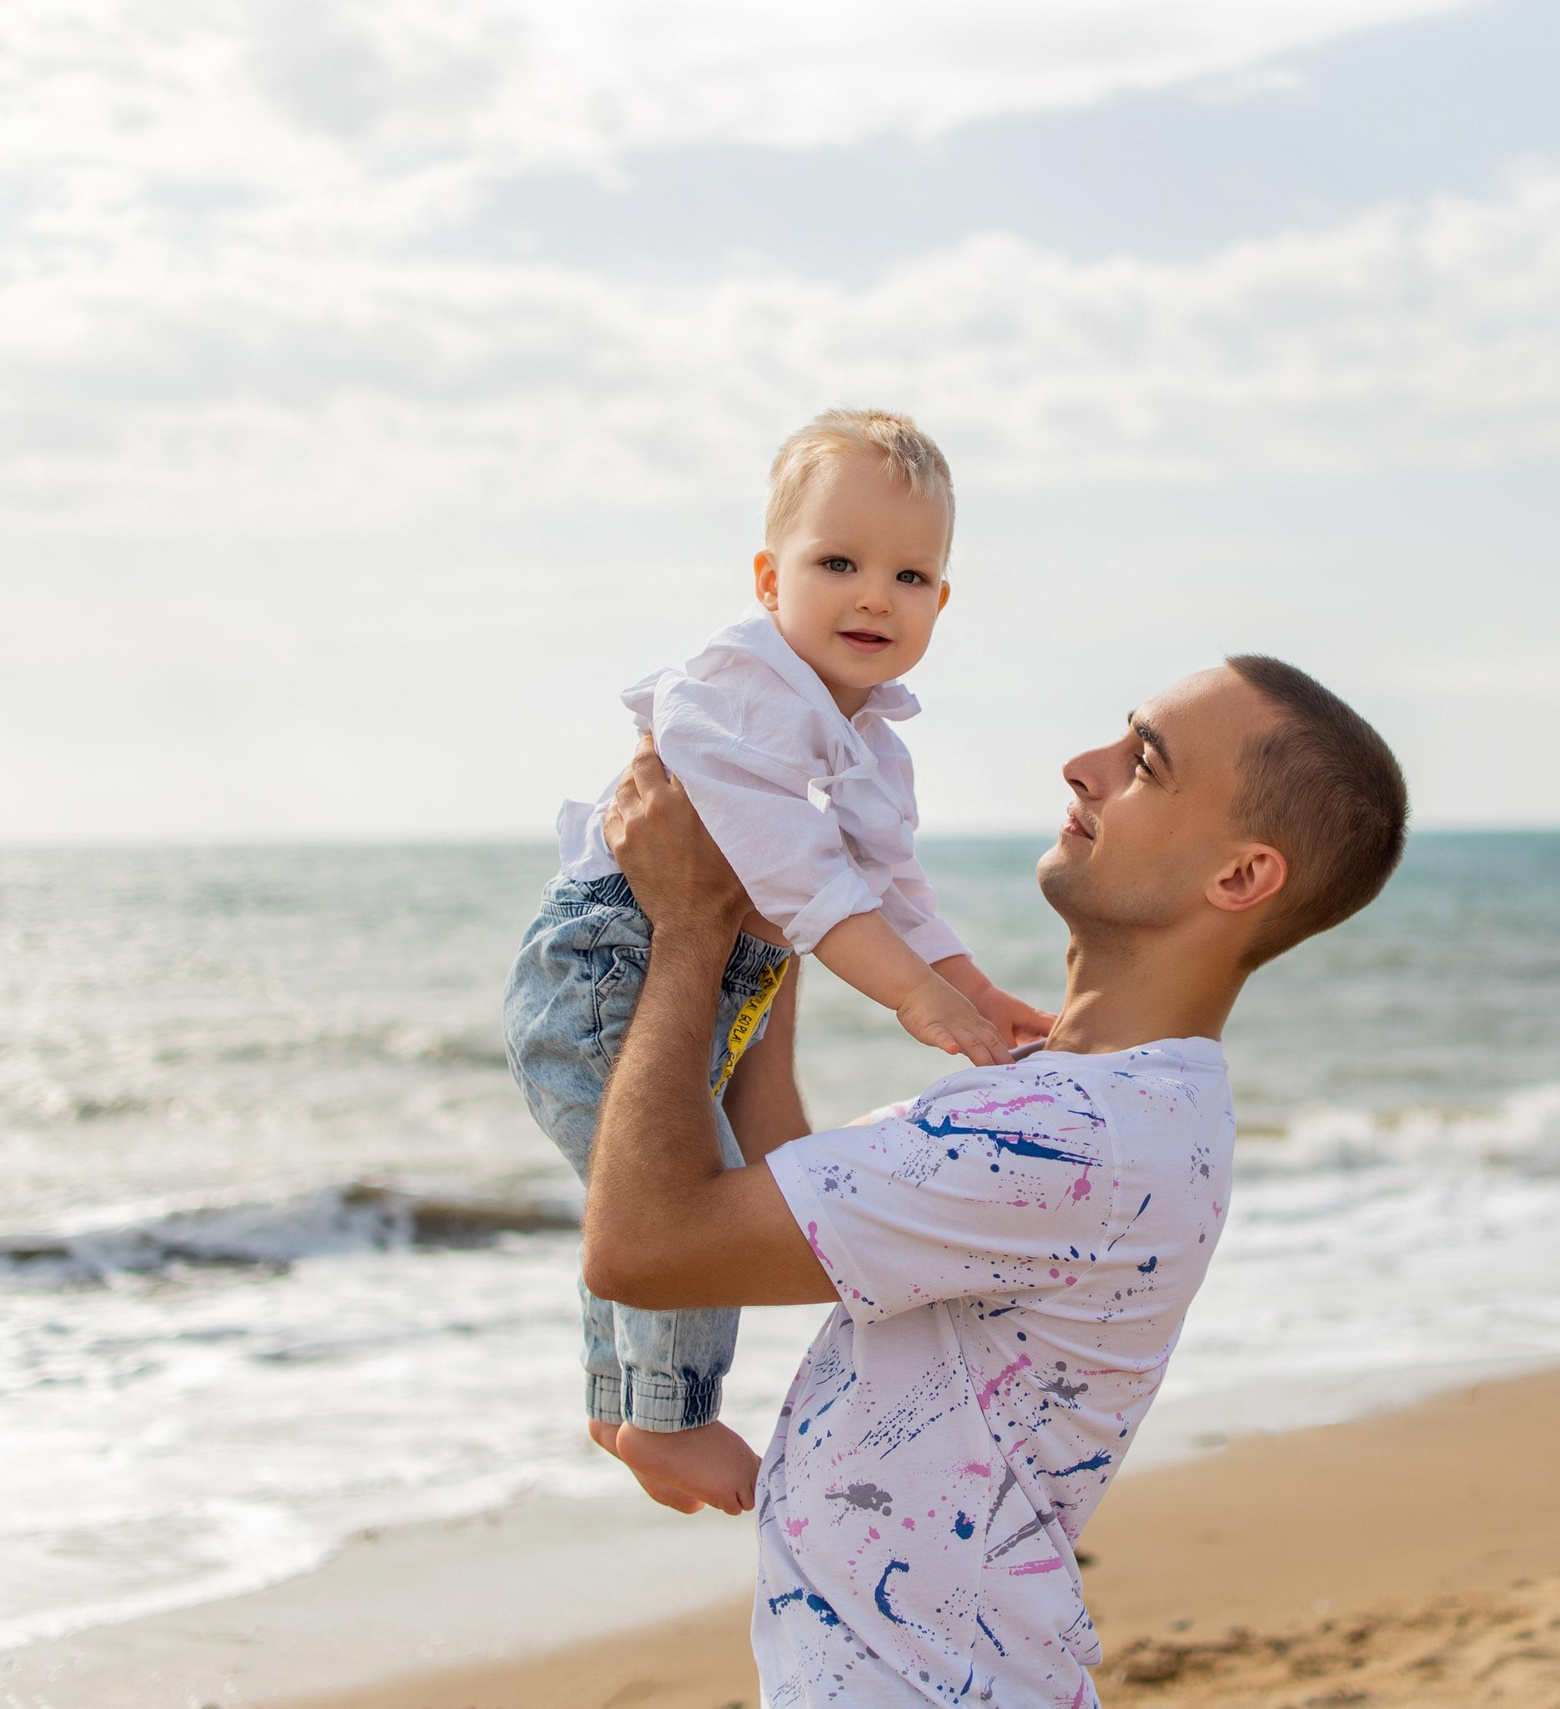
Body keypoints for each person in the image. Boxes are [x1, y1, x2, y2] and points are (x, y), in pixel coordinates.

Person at [584, 655, 1408, 1707]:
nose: (1082, 764)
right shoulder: (1109, 1104)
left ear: (1240, 877)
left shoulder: (1067, 1137)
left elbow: (647, 1247)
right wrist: (772, 907)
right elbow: (779, 1196)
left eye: (1143, 763)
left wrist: (689, 927)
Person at [505, 409, 1052, 1517]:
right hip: (609, 967)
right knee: (684, 1192)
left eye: (910, 574)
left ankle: (624, 1404)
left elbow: (893, 883)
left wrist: (974, 987)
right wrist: (914, 995)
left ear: (941, 603)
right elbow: (804, 884)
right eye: (836, 562)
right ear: (769, 577)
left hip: (682, 977)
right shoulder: (751, 689)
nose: (872, 596)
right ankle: (672, 1416)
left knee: (655, 1181)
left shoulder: (870, 744)